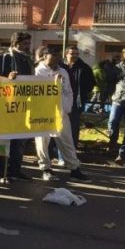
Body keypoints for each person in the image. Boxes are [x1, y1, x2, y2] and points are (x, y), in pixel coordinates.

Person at [31, 46, 90, 182]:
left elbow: (69, 91)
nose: (57, 58)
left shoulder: (63, 71)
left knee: (67, 141)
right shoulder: (37, 71)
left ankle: (74, 168)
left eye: (58, 55)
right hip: (43, 113)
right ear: (45, 56)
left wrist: (67, 108)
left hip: (61, 113)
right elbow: (36, 90)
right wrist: (53, 81)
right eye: (53, 55)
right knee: (42, 142)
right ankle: (46, 168)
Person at [0, 32, 34, 183]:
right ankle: (1, 173)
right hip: (6, 105)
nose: (27, 47)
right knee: (5, 140)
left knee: (20, 140)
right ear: (15, 43)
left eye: (28, 44)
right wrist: (7, 79)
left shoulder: (28, 59)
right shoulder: (5, 58)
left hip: (22, 104)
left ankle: (15, 170)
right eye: (25, 44)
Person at [62, 45, 94, 150]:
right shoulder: (60, 67)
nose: (74, 56)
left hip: (75, 102)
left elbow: (91, 84)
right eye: (72, 53)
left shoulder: (84, 68)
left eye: (76, 54)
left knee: (73, 127)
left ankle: (72, 150)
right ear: (66, 54)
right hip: (60, 100)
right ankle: (58, 151)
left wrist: (82, 94)